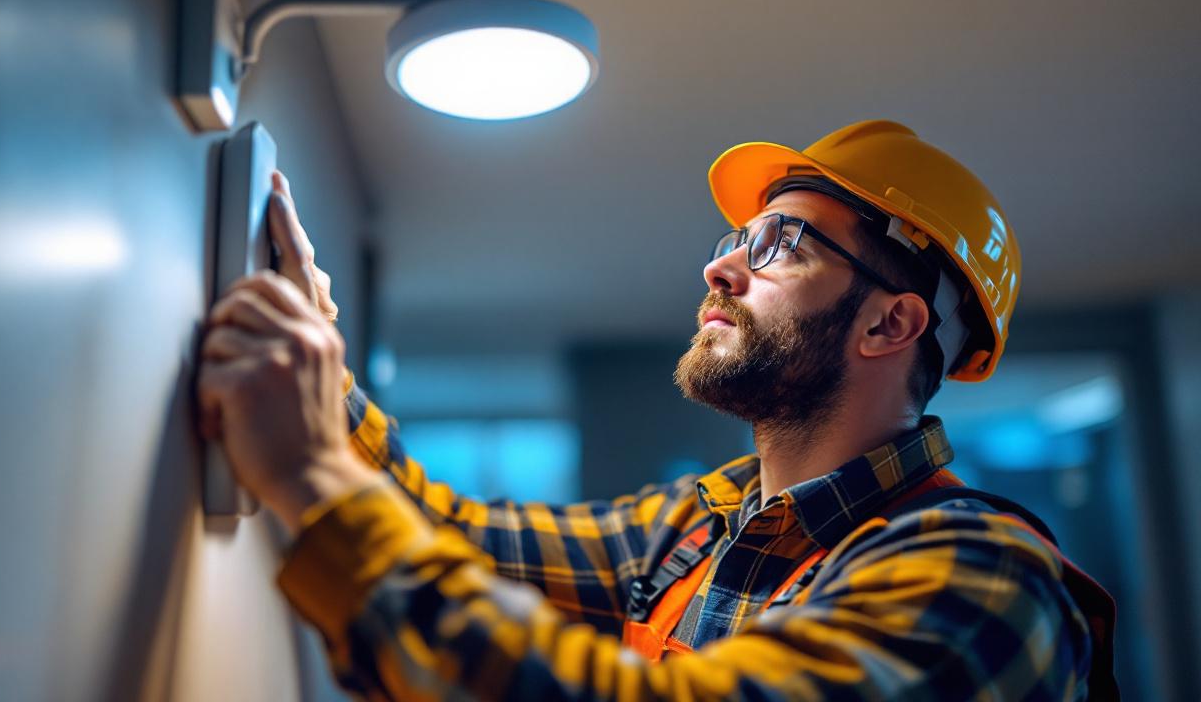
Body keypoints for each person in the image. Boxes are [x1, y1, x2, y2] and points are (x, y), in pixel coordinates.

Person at [197, 120, 1117, 700]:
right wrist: (319, 371)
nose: (720, 268)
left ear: (890, 323)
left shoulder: (983, 578)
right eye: (736, 240)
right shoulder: (697, 527)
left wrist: (313, 478)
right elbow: (450, 535)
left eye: (782, 246)